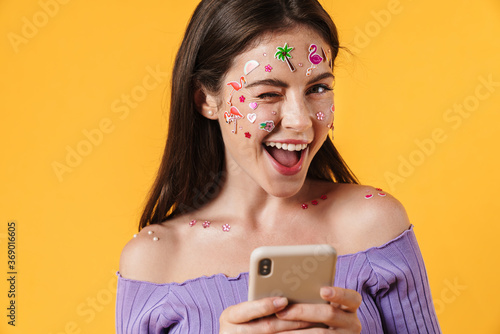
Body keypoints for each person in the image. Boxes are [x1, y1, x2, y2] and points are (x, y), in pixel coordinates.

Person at [116, 0, 442, 333]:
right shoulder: (153, 261)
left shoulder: (374, 224)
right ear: (206, 100)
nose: (300, 121)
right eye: (269, 93)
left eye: (318, 89)